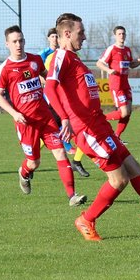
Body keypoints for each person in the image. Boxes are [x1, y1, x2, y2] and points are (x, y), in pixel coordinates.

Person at [44, 13, 140, 241]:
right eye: (80, 32)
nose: (84, 36)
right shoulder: (61, 56)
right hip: (88, 130)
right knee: (119, 179)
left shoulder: (75, 59)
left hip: (101, 125)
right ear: (66, 33)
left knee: (134, 168)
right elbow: (50, 88)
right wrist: (63, 118)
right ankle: (86, 219)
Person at [0, 25, 87, 207]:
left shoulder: (35, 60)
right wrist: (14, 113)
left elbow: (47, 77)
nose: (18, 44)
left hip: (46, 118)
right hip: (26, 123)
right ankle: (24, 173)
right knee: (34, 162)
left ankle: (72, 196)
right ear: (7, 44)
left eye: (21, 40)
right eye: (14, 42)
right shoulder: (4, 69)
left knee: (60, 152)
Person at [43, 41, 91, 178]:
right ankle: (31, 160)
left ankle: (77, 161)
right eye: (52, 37)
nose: (53, 39)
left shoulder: (74, 55)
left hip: (69, 105)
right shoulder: (53, 57)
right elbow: (47, 79)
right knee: (48, 134)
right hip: (57, 104)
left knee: (84, 132)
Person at [96, 26, 140, 140]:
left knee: (128, 112)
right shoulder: (111, 49)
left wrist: (138, 62)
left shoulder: (127, 50)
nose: (121, 35)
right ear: (115, 36)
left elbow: (131, 65)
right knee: (123, 112)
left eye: (123, 33)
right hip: (116, 85)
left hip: (125, 84)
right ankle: (99, 118)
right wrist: (109, 70)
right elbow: (99, 63)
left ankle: (117, 136)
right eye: (119, 34)